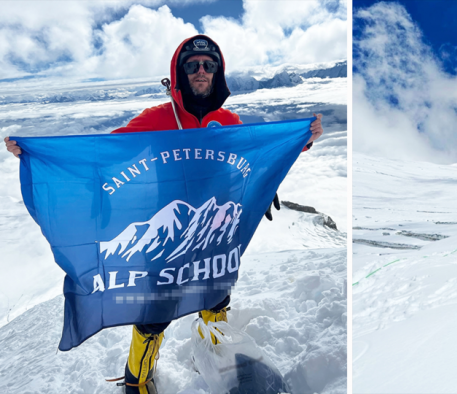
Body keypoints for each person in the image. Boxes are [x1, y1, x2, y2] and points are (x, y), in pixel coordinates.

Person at [5, 34, 323, 394]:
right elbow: (104, 156)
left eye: (208, 65)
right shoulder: (156, 119)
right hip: (167, 233)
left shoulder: (228, 119)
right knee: (153, 313)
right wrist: (36, 154)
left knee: (216, 297)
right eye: (192, 65)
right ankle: (136, 380)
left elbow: (254, 157)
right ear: (179, 73)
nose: (201, 71)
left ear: (217, 72)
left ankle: (217, 358)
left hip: (211, 232)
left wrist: (302, 140)